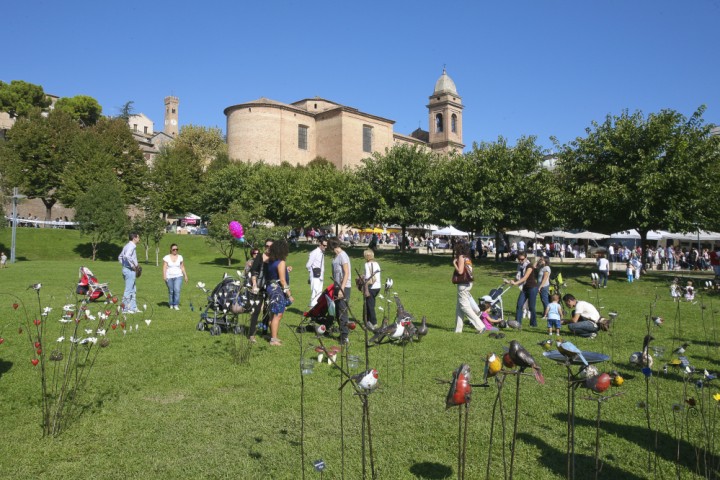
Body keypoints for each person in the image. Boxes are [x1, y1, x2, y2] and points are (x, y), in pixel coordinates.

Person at [452, 242, 485, 333]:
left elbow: (460, 271)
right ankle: (458, 329)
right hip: (468, 283)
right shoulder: (468, 258)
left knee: (464, 306)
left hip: (463, 284)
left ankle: (480, 326)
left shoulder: (461, 257)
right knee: (459, 307)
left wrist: (454, 263)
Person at [265, 240, 293, 346]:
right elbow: (282, 280)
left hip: (270, 288)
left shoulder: (270, 261)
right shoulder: (281, 262)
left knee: (274, 314)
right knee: (277, 314)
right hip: (277, 290)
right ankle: (274, 339)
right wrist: (289, 294)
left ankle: (273, 335)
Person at [248, 239, 273, 343]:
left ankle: (264, 332)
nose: (268, 248)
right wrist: (254, 284)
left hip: (270, 287)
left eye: (271, 246)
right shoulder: (259, 256)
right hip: (259, 286)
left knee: (267, 311)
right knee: (256, 310)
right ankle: (251, 334)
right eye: (267, 245)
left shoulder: (274, 258)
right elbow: (254, 271)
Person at [505, 252, 539, 327]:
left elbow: (525, 278)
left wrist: (516, 283)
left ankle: (533, 324)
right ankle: (518, 323)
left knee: (531, 307)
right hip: (525, 288)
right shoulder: (520, 266)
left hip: (532, 288)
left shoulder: (529, 266)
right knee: (519, 304)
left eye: (522, 259)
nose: (520, 261)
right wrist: (510, 281)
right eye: (519, 259)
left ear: (526, 258)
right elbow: (518, 277)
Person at [329, 238, 352, 345]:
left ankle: (345, 337)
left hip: (344, 287)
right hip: (337, 286)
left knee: (342, 312)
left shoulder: (343, 255)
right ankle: (342, 333)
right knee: (338, 311)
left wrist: (342, 289)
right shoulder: (337, 256)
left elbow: (346, 273)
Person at [118, 232, 141, 313]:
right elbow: (127, 256)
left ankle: (133, 307)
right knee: (128, 290)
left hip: (127, 269)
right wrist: (132, 266)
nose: (139, 239)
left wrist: (124, 265)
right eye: (138, 237)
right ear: (134, 238)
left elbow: (120, 257)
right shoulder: (131, 246)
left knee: (133, 290)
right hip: (130, 270)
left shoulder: (127, 246)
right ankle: (124, 309)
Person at [162, 243, 188, 310]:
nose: (175, 250)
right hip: (169, 276)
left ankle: (176, 304)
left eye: (176, 249)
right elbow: (164, 267)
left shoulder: (180, 257)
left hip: (178, 276)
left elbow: (182, 266)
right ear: (171, 250)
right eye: (174, 249)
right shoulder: (166, 257)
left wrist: (185, 275)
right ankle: (171, 304)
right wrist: (164, 275)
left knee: (177, 290)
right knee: (171, 291)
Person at [306, 238, 327, 307]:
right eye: (324, 245)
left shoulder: (321, 253)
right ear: (320, 244)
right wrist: (312, 272)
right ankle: (312, 308)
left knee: (319, 293)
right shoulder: (314, 252)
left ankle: (316, 309)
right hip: (315, 275)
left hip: (321, 275)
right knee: (314, 292)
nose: (325, 247)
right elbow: (308, 265)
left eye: (326, 245)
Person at [363, 249, 381, 327]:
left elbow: (367, 277)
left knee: (369, 305)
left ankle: (374, 322)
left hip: (371, 287)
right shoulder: (377, 264)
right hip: (378, 287)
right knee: (371, 303)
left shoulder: (367, 265)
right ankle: (368, 320)